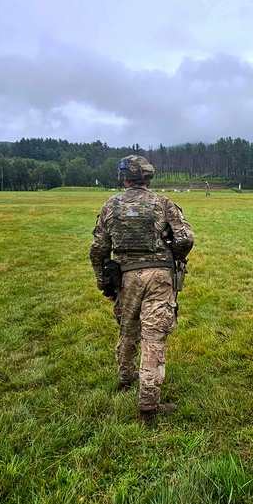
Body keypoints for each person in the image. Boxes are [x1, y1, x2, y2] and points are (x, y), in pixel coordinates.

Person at [89, 155, 194, 418]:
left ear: (123, 177)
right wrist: (174, 256)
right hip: (159, 277)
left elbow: (99, 249)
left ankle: (125, 379)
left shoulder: (110, 205)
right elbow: (185, 238)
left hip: (126, 277)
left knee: (127, 329)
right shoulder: (162, 203)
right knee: (154, 336)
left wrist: (104, 283)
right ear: (148, 176)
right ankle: (148, 403)